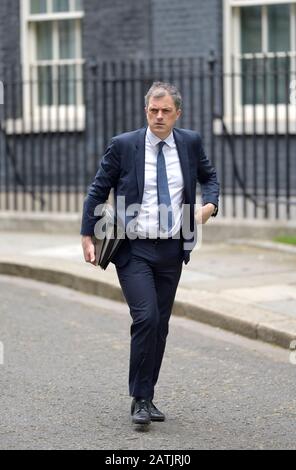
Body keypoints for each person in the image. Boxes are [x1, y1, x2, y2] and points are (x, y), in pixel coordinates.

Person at [81, 82, 219, 426]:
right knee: (147, 318)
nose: (159, 116)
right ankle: (139, 400)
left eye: (165, 111)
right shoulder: (125, 145)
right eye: (153, 111)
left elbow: (209, 177)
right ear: (146, 112)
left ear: (177, 114)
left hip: (172, 248)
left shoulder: (190, 143)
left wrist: (210, 206)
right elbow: (99, 188)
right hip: (134, 248)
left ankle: (148, 394)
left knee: (160, 327)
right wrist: (87, 233)